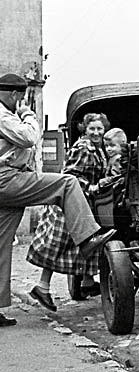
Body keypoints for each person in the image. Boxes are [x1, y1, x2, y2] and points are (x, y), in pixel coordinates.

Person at [0, 73, 115, 326]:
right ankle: (87, 239)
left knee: (1, 246)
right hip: (7, 179)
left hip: (10, 181)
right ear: (15, 95)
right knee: (67, 183)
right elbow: (29, 137)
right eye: (21, 96)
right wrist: (28, 113)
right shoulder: (4, 115)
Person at [26, 113, 114, 308]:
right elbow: (71, 175)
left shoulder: (98, 148)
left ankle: (87, 283)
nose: (96, 132)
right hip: (68, 204)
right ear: (85, 128)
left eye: (100, 129)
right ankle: (42, 287)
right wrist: (94, 187)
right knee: (58, 246)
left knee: (84, 243)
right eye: (92, 129)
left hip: (80, 202)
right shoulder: (83, 147)